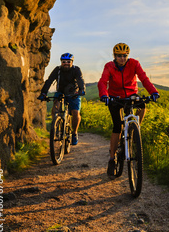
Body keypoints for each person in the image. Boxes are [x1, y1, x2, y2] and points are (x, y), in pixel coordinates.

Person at [98, 42, 159, 178]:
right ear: (114, 56)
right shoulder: (109, 66)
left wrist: (153, 92)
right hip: (114, 97)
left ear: (128, 56)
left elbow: (143, 78)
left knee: (142, 106)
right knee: (116, 127)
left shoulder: (134, 64)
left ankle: (134, 129)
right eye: (119, 56)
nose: (122, 58)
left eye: (124, 56)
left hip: (131, 95)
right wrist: (104, 95)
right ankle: (112, 158)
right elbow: (103, 82)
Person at [38, 53, 85, 145]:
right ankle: (56, 126)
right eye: (64, 62)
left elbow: (80, 80)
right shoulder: (57, 70)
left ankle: (74, 132)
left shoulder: (76, 70)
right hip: (61, 92)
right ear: (61, 62)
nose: (66, 63)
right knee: (55, 108)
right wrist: (43, 93)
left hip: (74, 93)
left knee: (75, 113)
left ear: (72, 62)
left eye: (68, 61)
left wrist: (82, 90)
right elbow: (49, 81)